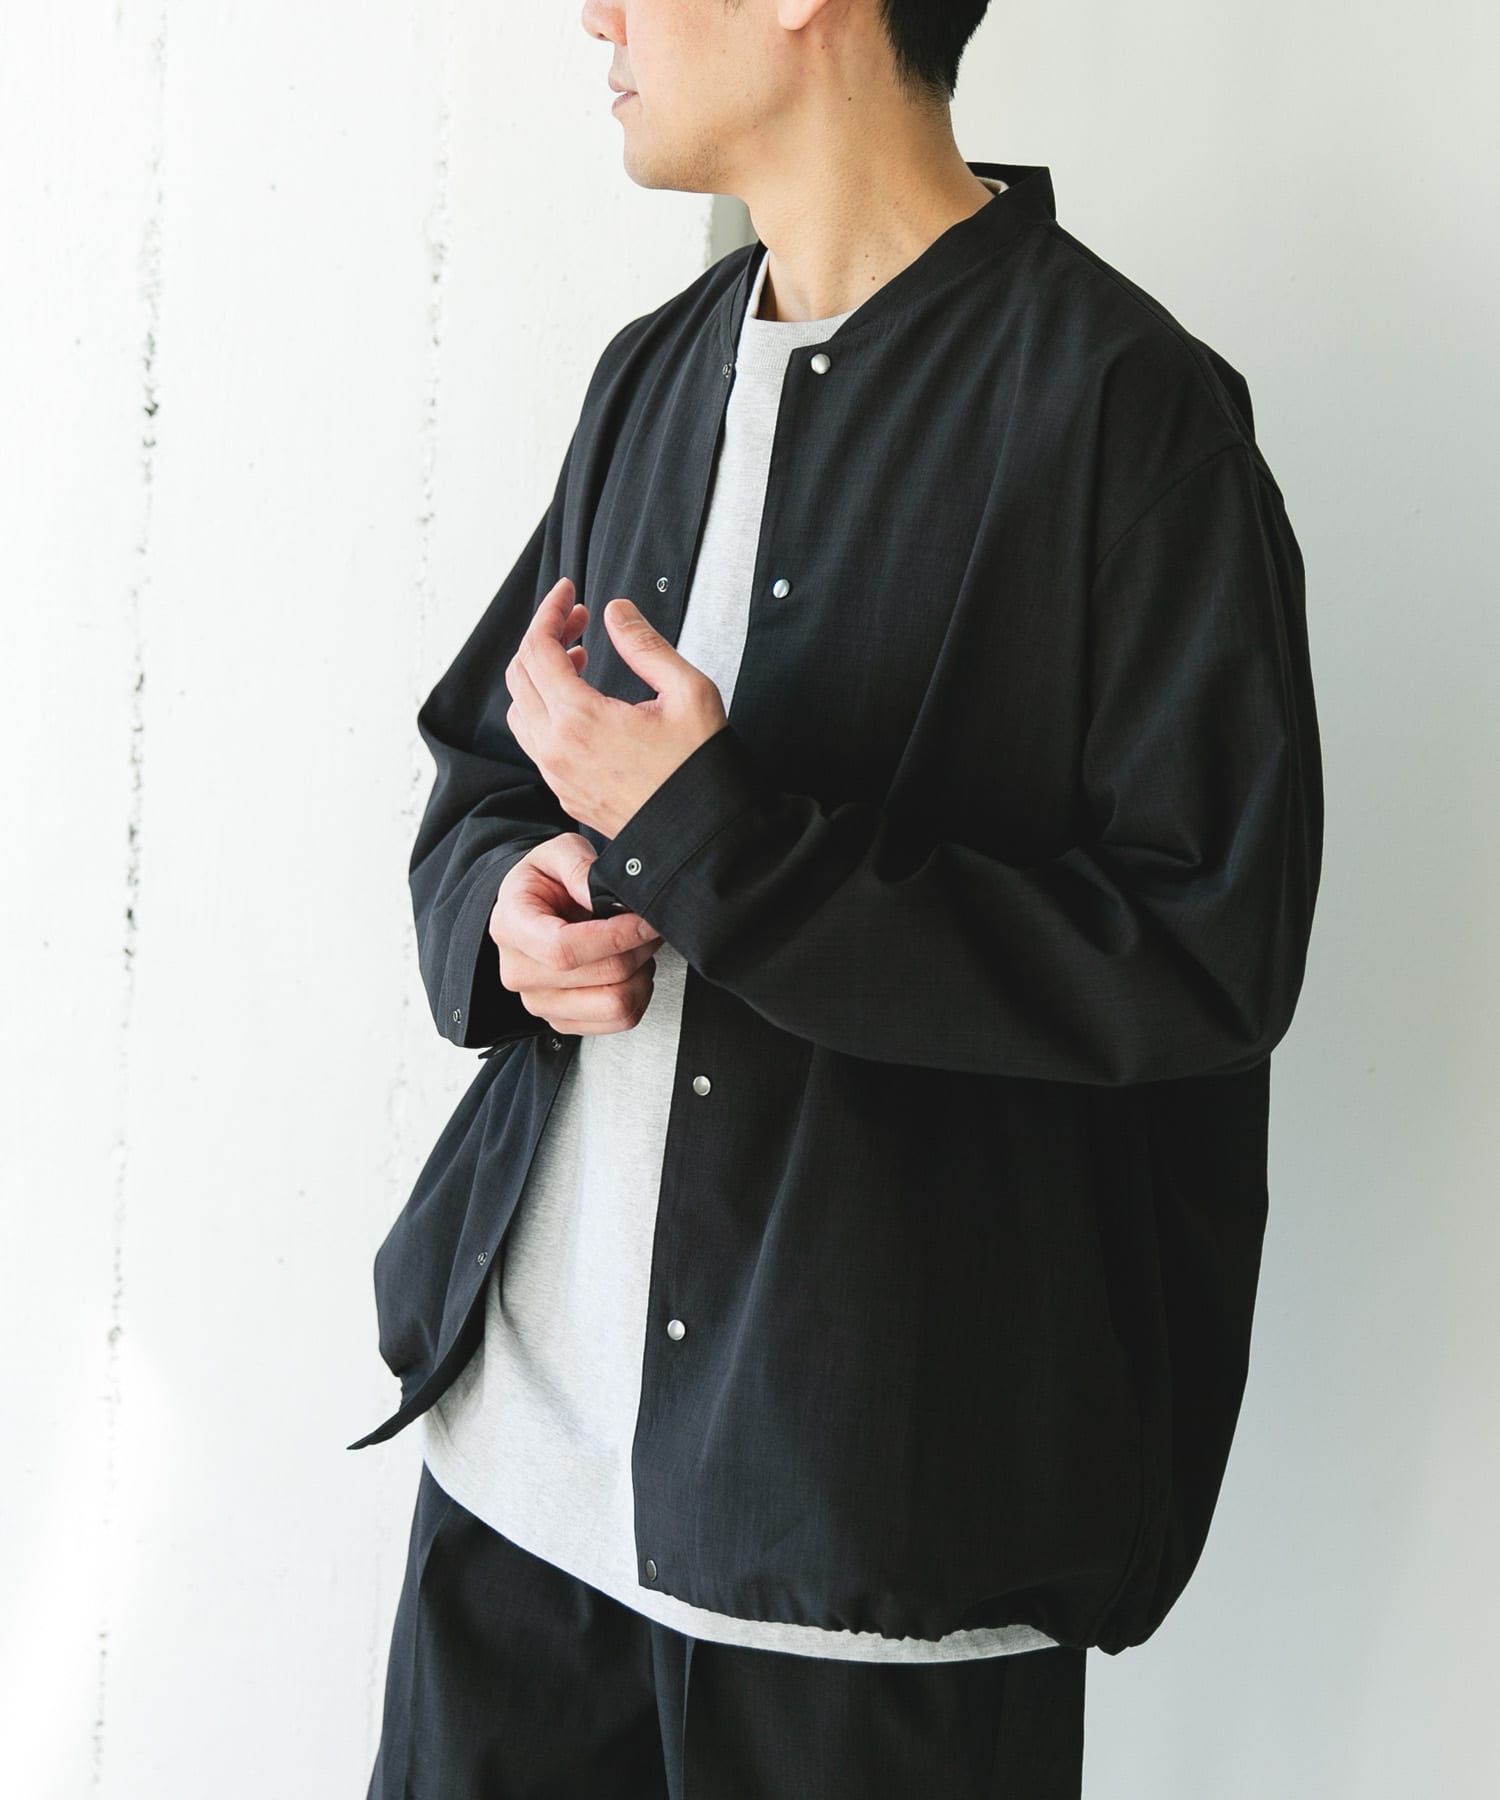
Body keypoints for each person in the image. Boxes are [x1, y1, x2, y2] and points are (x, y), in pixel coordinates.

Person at [355, 0, 1324, 1794]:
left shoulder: (1127, 413)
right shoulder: (652, 370)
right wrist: (514, 903)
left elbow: (1206, 953)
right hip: (517, 1498)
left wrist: (722, 848)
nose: (597, 13)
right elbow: (485, 774)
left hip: (860, 1547)